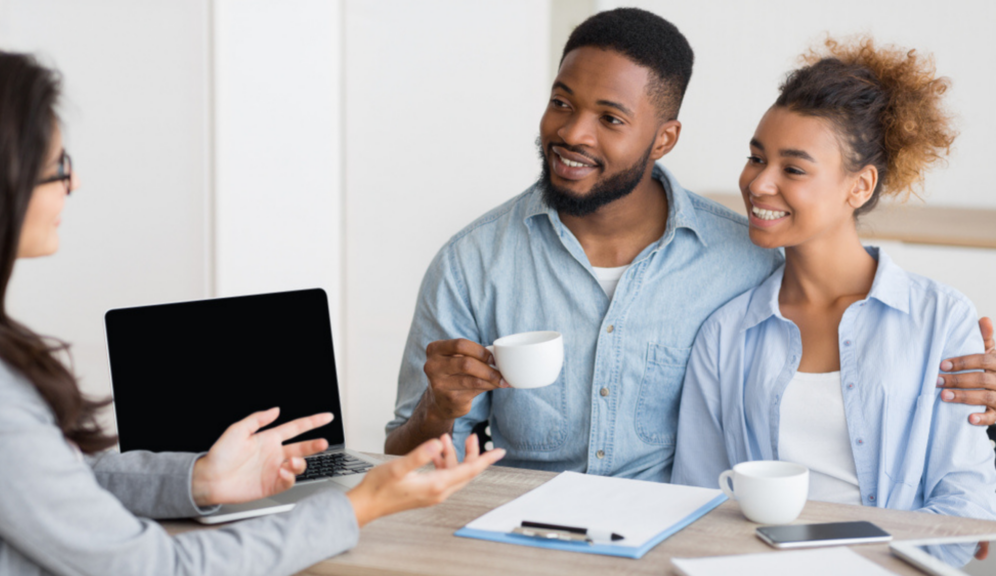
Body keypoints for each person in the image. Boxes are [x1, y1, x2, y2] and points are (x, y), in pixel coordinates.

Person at [384, 8, 996, 479]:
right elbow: (401, 454)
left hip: (676, 544)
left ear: (666, 138)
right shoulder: (472, 262)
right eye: (561, 104)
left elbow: (860, 319)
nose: (572, 133)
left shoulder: (747, 261)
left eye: (611, 118)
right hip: (518, 538)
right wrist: (437, 409)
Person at [0, 50, 505, 576]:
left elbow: (57, 479)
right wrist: (358, 505)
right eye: (58, 166)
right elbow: (154, 569)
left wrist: (199, 479)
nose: (75, 183)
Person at [671, 37, 996, 526]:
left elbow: (966, 504)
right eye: (756, 157)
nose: (759, 183)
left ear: (859, 186)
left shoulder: (941, 319)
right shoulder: (725, 332)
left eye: (793, 168)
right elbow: (698, 499)